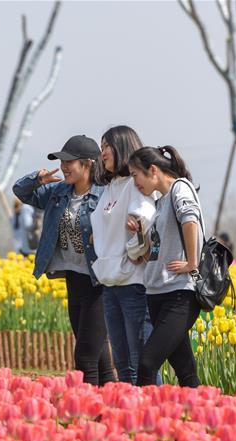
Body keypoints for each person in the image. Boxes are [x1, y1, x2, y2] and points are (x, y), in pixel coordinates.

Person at [13, 135, 116, 386]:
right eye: (62, 162)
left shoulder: (106, 196)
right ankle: (114, 409)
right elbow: (20, 191)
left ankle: (88, 414)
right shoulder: (58, 192)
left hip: (98, 281)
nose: (64, 167)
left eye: (70, 162)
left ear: (88, 164)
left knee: (85, 356)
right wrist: (37, 180)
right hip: (74, 277)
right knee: (98, 354)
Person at [128, 146, 204, 388]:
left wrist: (192, 263)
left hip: (179, 294)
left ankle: (145, 422)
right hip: (157, 293)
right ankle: (201, 419)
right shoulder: (160, 202)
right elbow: (153, 253)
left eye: (134, 175)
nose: (134, 182)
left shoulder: (180, 188)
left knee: (147, 364)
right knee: (185, 371)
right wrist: (141, 235)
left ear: (152, 170)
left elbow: (190, 220)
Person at [90, 126, 157, 385]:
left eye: (107, 146)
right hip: (110, 283)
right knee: (122, 364)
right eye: (102, 146)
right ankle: (129, 418)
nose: (102, 152)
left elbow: (145, 216)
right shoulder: (110, 187)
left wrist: (136, 232)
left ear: (122, 147)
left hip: (133, 284)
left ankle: (155, 415)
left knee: (141, 363)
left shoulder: (134, 183)